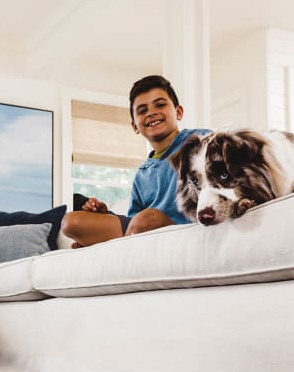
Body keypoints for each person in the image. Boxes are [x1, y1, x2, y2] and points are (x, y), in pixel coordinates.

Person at [62, 75, 211, 247]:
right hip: (141, 229)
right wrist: (106, 215)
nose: (151, 112)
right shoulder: (142, 174)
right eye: (142, 110)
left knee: (148, 219)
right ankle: (109, 243)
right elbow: (133, 221)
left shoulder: (200, 140)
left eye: (160, 104)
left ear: (178, 112)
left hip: (178, 227)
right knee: (71, 223)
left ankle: (106, 245)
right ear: (134, 126)